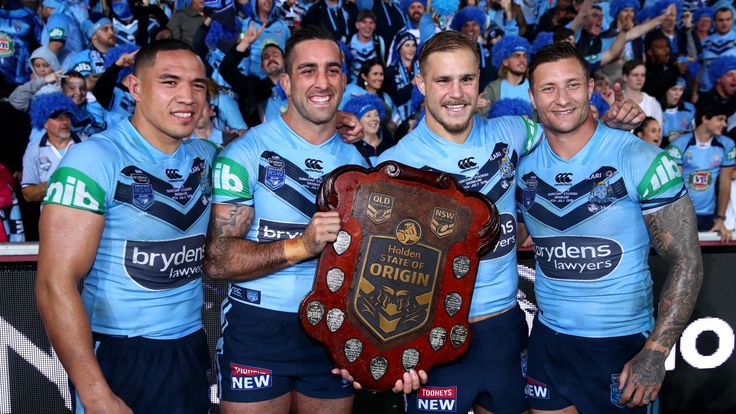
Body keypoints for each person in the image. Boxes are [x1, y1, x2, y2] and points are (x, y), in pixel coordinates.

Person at [352, 30, 644, 414]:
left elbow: (571, 136)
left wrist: (612, 126)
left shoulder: (514, 133)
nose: (456, 93)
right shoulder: (392, 168)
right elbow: (367, 272)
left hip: (505, 331)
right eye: (442, 80)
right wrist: (382, 347)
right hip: (431, 336)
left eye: (466, 79)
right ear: (420, 84)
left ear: (479, 81)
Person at [517, 41, 703, 412]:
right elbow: (515, 237)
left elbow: (687, 260)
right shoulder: (521, 164)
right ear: (532, 97)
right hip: (548, 342)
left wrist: (655, 352)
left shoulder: (641, 157)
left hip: (621, 345)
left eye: (572, 84)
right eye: (548, 88)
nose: (562, 98)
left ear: (591, 88)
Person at [36, 39, 217, 413]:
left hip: (191, 348)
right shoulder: (93, 158)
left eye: (197, 85)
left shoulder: (207, 157)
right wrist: (95, 393)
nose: (187, 96)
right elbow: (55, 283)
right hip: (121, 351)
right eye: (169, 82)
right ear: (135, 88)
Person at [204, 26, 366, 414]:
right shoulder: (245, 153)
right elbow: (219, 259)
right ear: (286, 82)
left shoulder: (360, 163)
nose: (322, 81)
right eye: (308, 70)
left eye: (332, 70)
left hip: (334, 327)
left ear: (344, 79)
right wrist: (303, 245)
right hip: (257, 328)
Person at [666, 101, 735, 239]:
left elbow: (725, 183)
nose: (724, 124)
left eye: (725, 120)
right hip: (682, 215)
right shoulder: (679, 145)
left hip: (710, 216)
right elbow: (675, 186)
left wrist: (721, 218)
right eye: (720, 119)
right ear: (705, 118)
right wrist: (677, 219)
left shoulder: (727, 144)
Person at [21, 92, 80, 203]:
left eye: (66, 116)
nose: (64, 122)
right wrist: (56, 182)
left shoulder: (86, 144)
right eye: (57, 117)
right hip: (51, 216)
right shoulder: (33, 150)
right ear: (44, 123)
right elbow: (28, 194)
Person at [623, 59, 663, 126]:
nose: (640, 78)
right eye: (635, 75)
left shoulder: (653, 103)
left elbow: (658, 133)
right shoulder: (614, 98)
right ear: (625, 77)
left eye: (643, 75)